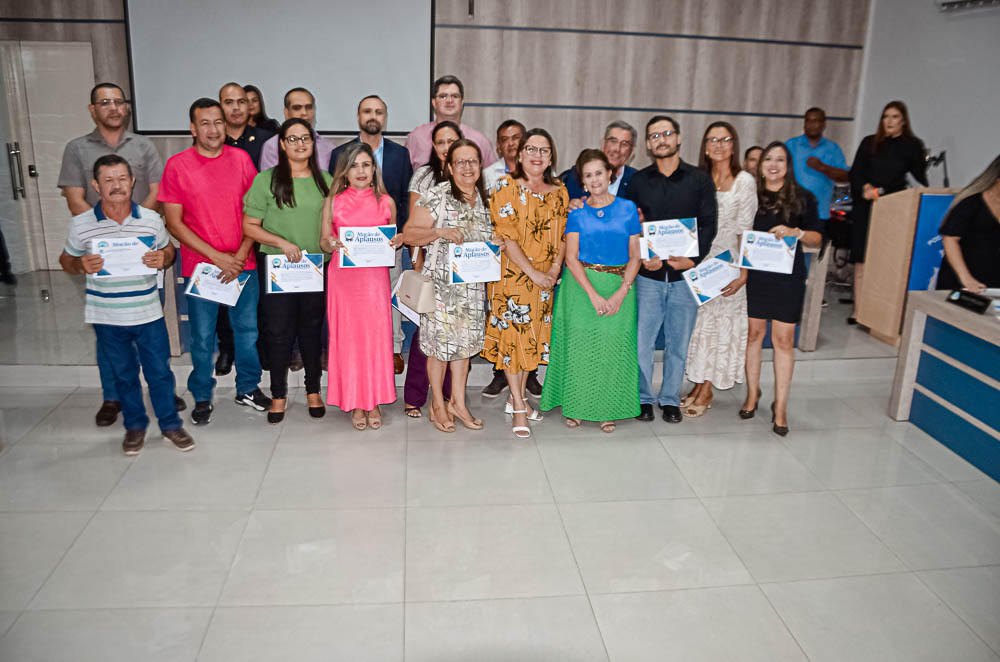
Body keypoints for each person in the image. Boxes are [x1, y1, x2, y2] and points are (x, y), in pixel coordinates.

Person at [57, 81, 180, 427]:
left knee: (150, 326)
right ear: (92, 110)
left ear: (126, 107)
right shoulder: (76, 148)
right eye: (104, 102)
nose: (112, 107)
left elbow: (156, 190)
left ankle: (162, 394)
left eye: (118, 102)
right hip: (100, 254)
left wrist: (136, 226)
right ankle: (113, 396)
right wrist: (103, 229)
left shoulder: (144, 146)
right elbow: (74, 196)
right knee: (109, 331)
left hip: (141, 249)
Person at [59, 154, 194, 455]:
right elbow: (66, 260)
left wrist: (165, 259)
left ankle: (171, 426)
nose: (116, 186)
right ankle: (134, 427)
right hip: (107, 315)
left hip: (147, 313)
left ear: (132, 182)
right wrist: (80, 264)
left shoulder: (150, 220)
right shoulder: (82, 224)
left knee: (159, 372)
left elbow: (169, 251)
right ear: (96, 185)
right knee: (124, 374)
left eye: (122, 178)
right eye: (108, 180)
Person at [159, 98, 272, 425]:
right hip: (203, 268)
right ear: (193, 129)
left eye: (218, 122)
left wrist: (238, 254)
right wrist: (218, 257)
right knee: (203, 337)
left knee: (247, 332)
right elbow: (174, 223)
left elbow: (257, 213)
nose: (213, 129)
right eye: (205, 123)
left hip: (242, 265)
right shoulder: (177, 165)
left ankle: (248, 387)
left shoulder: (241, 161)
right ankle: (203, 395)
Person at [540, 149, 641, 432]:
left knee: (612, 348)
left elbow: (635, 255)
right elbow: (570, 257)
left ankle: (607, 408)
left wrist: (622, 291)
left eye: (599, 173)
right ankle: (576, 406)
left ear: (610, 174)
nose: (595, 179)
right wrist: (593, 294)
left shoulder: (628, 208)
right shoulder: (577, 212)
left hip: (619, 285)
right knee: (580, 349)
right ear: (582, 182)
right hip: (581, 287)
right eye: (588, 175)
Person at [626, 116, 717, 424]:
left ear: (678, 138)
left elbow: (708, 224)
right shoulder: (638, 182)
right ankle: (641, 398)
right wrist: (641, 255)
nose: (661, 139)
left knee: (678, 343)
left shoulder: (700, 180)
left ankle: (669, 399)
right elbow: (630, 227)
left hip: (684, 277)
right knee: (643, 341)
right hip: (648, 277)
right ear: (649, 145)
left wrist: (693, 259)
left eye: (666, 134)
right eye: (654, 136)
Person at [242, 118, 332, 424]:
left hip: (314, 268)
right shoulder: (266, 180)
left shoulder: (326, 180)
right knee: (279, 335)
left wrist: (332, 243)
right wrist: (281, 242)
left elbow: (335, 224)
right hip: (278, 267)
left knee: (310, 333)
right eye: (292, 139)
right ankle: (278, 394)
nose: (300, 144)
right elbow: (249, 226)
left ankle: (312, 391)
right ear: (282, 144)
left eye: (305, 138)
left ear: (312, 142)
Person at [401, 139, 494, 433]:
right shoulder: (437, 195)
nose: (467, 167)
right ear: (450, 167)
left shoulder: (485, 199)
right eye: (461, 162)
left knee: (464, 347)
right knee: (438, 348)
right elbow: (409, 234)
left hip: (472, 289)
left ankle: (458, 402)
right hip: (442, 287)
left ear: (480, 166)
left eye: (473, 161)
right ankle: (437, 405)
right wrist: (438, 231)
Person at [482, 128, 568, 438]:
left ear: (550, 158)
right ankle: (519, 405)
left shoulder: (559, 191)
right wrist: (534, 274)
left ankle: (513, 397)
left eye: (544, 150)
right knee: (513, 343)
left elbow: (563, 237)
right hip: (514, 279)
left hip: (546, 280)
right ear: (519, 155)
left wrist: (555, 270)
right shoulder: (505, 186)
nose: (537, 155)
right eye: (531, 149)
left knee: (530, 342)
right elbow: (505, 235)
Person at [741, 142, 823, 436]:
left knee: (784, 341)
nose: (773, 165)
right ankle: (752, 394)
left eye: (780, 160)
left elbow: (817, 239)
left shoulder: (804, 198)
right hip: (755, 278)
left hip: (787, 279)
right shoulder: (750, 196)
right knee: (753, 335)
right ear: (760, 165)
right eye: (768, 160)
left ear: (788, 165)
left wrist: (796, 233)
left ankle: (782, 407)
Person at [330, 95, 414, 374]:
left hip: (387, 243)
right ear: (358, 116)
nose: (373, 116)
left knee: (389, 297)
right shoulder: (340, 153)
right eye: (367, 111)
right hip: (351, 251)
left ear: (385, 117)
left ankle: (392, 349)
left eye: (379, 112)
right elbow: (337, 196)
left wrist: (397, 234)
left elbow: (403, 198)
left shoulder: (398, 154)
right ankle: (355, 352)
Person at [320, 142, 400, 430]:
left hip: (374, 281)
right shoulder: (334, 201)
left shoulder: (386, 201)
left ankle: (374, 399)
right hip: (344, 280)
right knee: (349, 338)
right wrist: (329, 243)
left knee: (376, 338)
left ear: (374, 168)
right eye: (354, 165)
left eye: (366, 164)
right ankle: (354, 400)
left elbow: (392, 237)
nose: (361, 171)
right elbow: (323, 240)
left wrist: (397, 240)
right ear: (344, 171)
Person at [682, 122, 757, 417]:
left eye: (725, 140)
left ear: (733, 145)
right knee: (701, 328)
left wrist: (744, 273)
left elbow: (746, 231)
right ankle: (699, 384)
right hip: (702, 264)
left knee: (721, 328)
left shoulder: (745, 181)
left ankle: (708, 389)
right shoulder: (699, 179)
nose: (718, 145)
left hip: (730, 264)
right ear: (704, 146)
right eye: (712, 140)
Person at [401, 121, 462, 418]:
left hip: (462, 267)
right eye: (441, 142)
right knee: (426, 331)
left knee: (456, 332)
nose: (447, 146)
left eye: (452, 140)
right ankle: (414, 395)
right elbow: (412, 226)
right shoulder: (423, 176)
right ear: (433, 146)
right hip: (430, 259)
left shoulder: (469, 175)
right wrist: (419, 265)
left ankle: (451, 394)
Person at [847, 100, 928, 324]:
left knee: (887, 260)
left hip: (895, 208)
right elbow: (856, 173)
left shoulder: (912, 145)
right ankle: (859, 310)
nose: (889, 121)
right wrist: (864, 188)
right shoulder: (869, 143)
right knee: (862, 259)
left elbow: (918, 180)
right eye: (886, 116)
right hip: (867, 206)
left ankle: (883, 311)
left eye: (894, 117)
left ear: (903, 120)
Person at [936, 155, 1000, 292]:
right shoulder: (972, 201)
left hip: (993, 286)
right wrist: (966, 279)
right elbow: (950, 239)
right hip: (961, 285)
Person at [405, 75, 497, 169]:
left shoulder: (480, 141)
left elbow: (493, 179)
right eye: (443, 96)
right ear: (434, 102)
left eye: (455, 96)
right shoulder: (416, 138)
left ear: (462, 102)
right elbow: (405, 177)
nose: (449, 100)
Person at [787, 108, 848, 221]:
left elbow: (846, 176)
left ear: (823, 124)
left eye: (816, 121)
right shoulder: (791, 145)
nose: (812, 124)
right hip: (792, 210)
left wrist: (822, 167)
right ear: (804, 124)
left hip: (820, 212)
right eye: (808, 121)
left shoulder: (833, 148)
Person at [259, 88, 336, 171]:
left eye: (309, 107)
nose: (304, 113)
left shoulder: (328, 147)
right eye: (297, 108)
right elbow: (271, 181)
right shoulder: (273, 146)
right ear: (286, 112)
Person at [560, 120, 638, 200]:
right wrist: (569, 206)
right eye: (613, 141)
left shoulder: (637, 180)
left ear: (631, 151)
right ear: (603, 144)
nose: (617, 149)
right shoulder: (578, 173)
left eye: (624, 144)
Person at [219, 82, 272, 170]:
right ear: (220, 106)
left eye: (241, 102)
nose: (236, 107)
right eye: (229, 102)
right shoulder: (213, 142)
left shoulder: (267, 140)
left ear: (248, 106)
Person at [482, 119, 525, 193]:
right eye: (505, 140)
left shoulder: (540, 170)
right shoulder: (487, 175)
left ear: (526, 141)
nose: (511, 143)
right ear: (499, 146)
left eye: (515, 138)